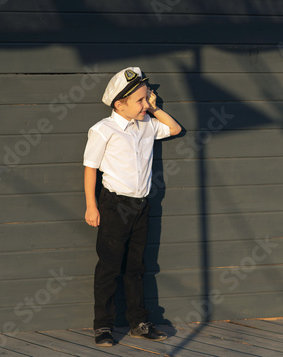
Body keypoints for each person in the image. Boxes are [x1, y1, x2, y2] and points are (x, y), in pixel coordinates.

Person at [83, 67, 182, 347]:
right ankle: (103, 326)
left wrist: (152, 109)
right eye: (140, 100)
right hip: (114, 205)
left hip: (141, 205)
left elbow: (174, 129)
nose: (146, 103)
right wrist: (92, 206)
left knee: (136, 267)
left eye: (146, 98)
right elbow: (90, 168)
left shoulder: (147, 124)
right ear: (119, 104)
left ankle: (138, 321)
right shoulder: (104, 130)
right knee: (109, 268)